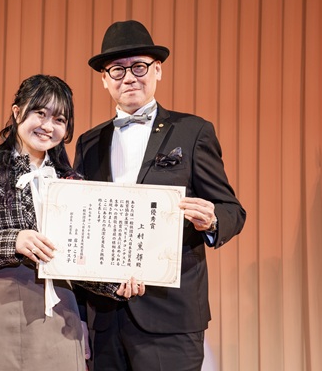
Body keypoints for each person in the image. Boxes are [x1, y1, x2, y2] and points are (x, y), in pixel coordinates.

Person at [0, 74, 145, 371]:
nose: (48, 126)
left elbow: (83, 262)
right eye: (40, 113)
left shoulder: (72, 182)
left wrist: (118, 284)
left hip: (60, 312)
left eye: (59, 119)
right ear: (17, 112)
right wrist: (13, 241)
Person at [74, 20, 247, 371]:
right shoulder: (89, 143)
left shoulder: (192, 131)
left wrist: (212, 219)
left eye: (139, 67)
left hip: (171, 316)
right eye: (117, 69)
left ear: (158, 71)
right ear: (104, 79)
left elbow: (232, 210)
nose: (129, 78)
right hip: (104, 317)